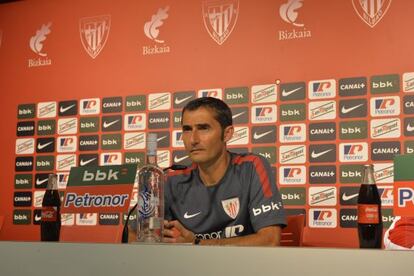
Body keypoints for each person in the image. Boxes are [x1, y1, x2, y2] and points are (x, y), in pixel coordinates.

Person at [163, 97, 286, 246]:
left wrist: (197, 244)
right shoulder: (171, 180)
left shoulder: (252, 167)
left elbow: (270, 240)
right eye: (187, 130)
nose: (193, 139)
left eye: (203, 128)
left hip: (242, 267)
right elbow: (134, 236)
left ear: (227, 134)